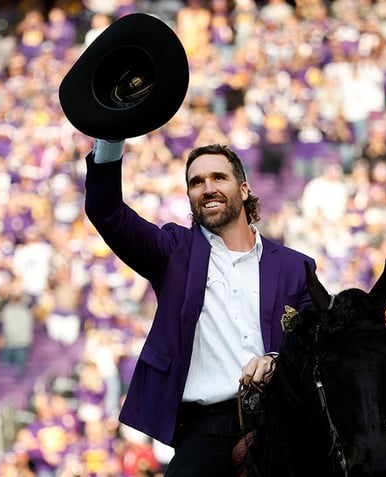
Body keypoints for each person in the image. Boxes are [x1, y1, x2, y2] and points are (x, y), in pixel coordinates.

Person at [84, 138, 315, 476]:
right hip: (206, 430)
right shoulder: (172, 252)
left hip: (283, 422)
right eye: (196, 182)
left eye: (219, 178)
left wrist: (276, 361)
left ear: (245, 188)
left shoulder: (296, 267)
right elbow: (106, 211)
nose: (208, 188)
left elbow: (314, 345)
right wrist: (111, 137)